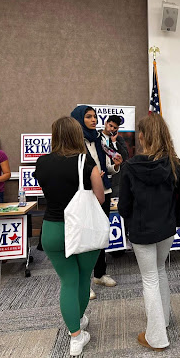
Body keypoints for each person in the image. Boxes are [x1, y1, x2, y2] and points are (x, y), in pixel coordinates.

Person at [118, 114, 180, 351]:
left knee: (150, 278)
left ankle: (156, 336)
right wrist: (175, 221)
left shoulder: (130, 166)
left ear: (142, 136)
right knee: (159, 272)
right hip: (166, 228)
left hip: (142, 230)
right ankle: (163, 320)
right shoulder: (174, 163)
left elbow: (124, 205)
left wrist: (128, 219)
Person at [35, 116, 105, 356]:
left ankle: (75, 334)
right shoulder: (87, 162)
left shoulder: (42, 162)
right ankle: (78, 324)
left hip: (53, 230)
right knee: (83, 277)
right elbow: (100, 197)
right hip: (83, 228)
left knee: (68, 281)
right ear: (77, 135)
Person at [71, 106, 123, 299]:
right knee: (85, 237)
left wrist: (115, 166)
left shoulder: (99, 139)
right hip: (85, 193)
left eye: (95, 116)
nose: (94, 120)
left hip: (105, 190)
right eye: (88, 117)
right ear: (78, 119)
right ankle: (83, 281)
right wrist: (90, 176)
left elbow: (105, 167)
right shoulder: (75, 142)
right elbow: (73, 170)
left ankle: (100, 274)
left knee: (101, 233)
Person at [100, 114, 129, 197]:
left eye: (115, 128)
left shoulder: (119, 139)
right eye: (110, 125)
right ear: (106, 123)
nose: (112, 129)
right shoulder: (97, 136)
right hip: (101, 176)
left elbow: (125, 156)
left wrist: (114, 142)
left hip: (115, 179)